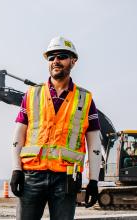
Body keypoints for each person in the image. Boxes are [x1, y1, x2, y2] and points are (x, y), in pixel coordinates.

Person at [10, 36, 102, 220]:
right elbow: (19, 134)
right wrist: (16, 170)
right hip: (32, 175)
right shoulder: (32, 94)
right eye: (51, 57)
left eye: (61, 56)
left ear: (73, 61)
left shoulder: (85, 99)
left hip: (66, 179)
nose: (55, 61)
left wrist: (93, 181)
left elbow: (94, 143)